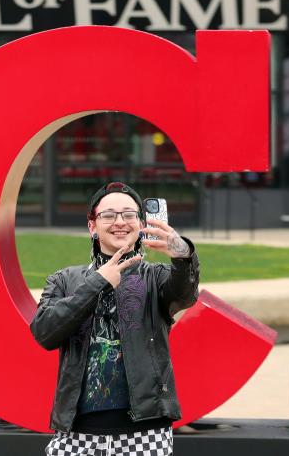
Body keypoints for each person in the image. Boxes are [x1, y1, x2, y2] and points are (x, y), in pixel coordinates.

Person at [30, 182, 199, 455]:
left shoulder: (155, 278)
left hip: (146, 433)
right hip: (77, 433)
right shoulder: (64, 280)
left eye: (129, 214)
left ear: (141, 223)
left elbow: (185, 294)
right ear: (92, 227)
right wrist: (98, 282)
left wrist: (183, 255)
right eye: (108, 215)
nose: (120, 222)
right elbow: (45, 332)